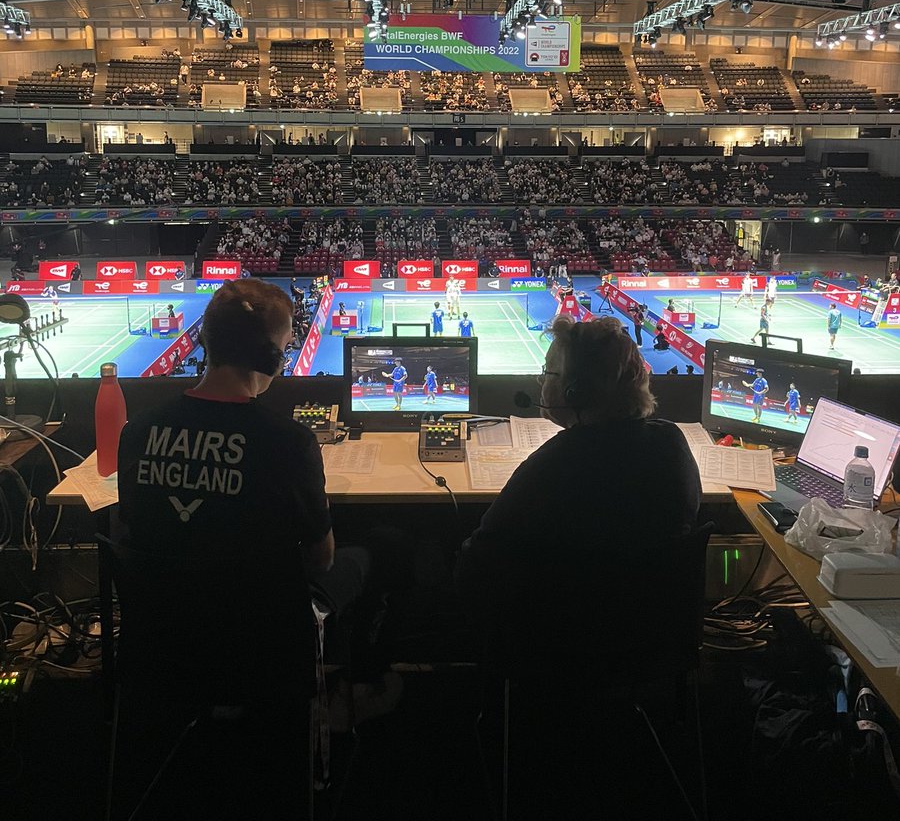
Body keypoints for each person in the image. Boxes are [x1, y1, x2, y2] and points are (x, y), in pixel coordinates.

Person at [116, 279, 406, 720]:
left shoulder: (137, 430)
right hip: (264, 643)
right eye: (286, 346)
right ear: (271, 357)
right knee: (384, 545)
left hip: (163, 641)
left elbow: (133, 531)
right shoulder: (287, 441)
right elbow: (321, 561)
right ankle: (357, 688)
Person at [456, 316, 701, 625]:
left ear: (575, 391)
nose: (541, 381)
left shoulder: (555, 464)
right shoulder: (671, 443)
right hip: (647, 633)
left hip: (552, 638)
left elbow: (478, 563)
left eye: (549, 372)